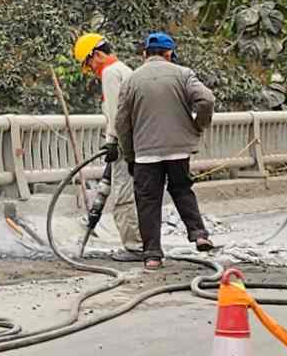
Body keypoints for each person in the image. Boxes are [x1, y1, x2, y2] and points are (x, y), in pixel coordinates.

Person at [115, 32, 215, 270]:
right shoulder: (183, 74)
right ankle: (199, 234)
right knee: (182, 189)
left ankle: (152, 255)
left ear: (144, 54)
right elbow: (206, 100)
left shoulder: (131, 80)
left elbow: (121, 123)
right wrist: (197, 125)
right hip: (179, 149)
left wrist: (130, 154)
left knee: (148, 200)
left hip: (145, 152)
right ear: (169, 54)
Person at [72, 33, 142, 251]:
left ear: (98, 54)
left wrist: (112, 142)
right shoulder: (126, 70)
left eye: (89, 62)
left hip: (124, 144)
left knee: (123, 196)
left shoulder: (111, 74)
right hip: (137, 141)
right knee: (135, 194)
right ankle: (144, 244)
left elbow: (116, 114)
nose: (91, 68)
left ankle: (134, 247)